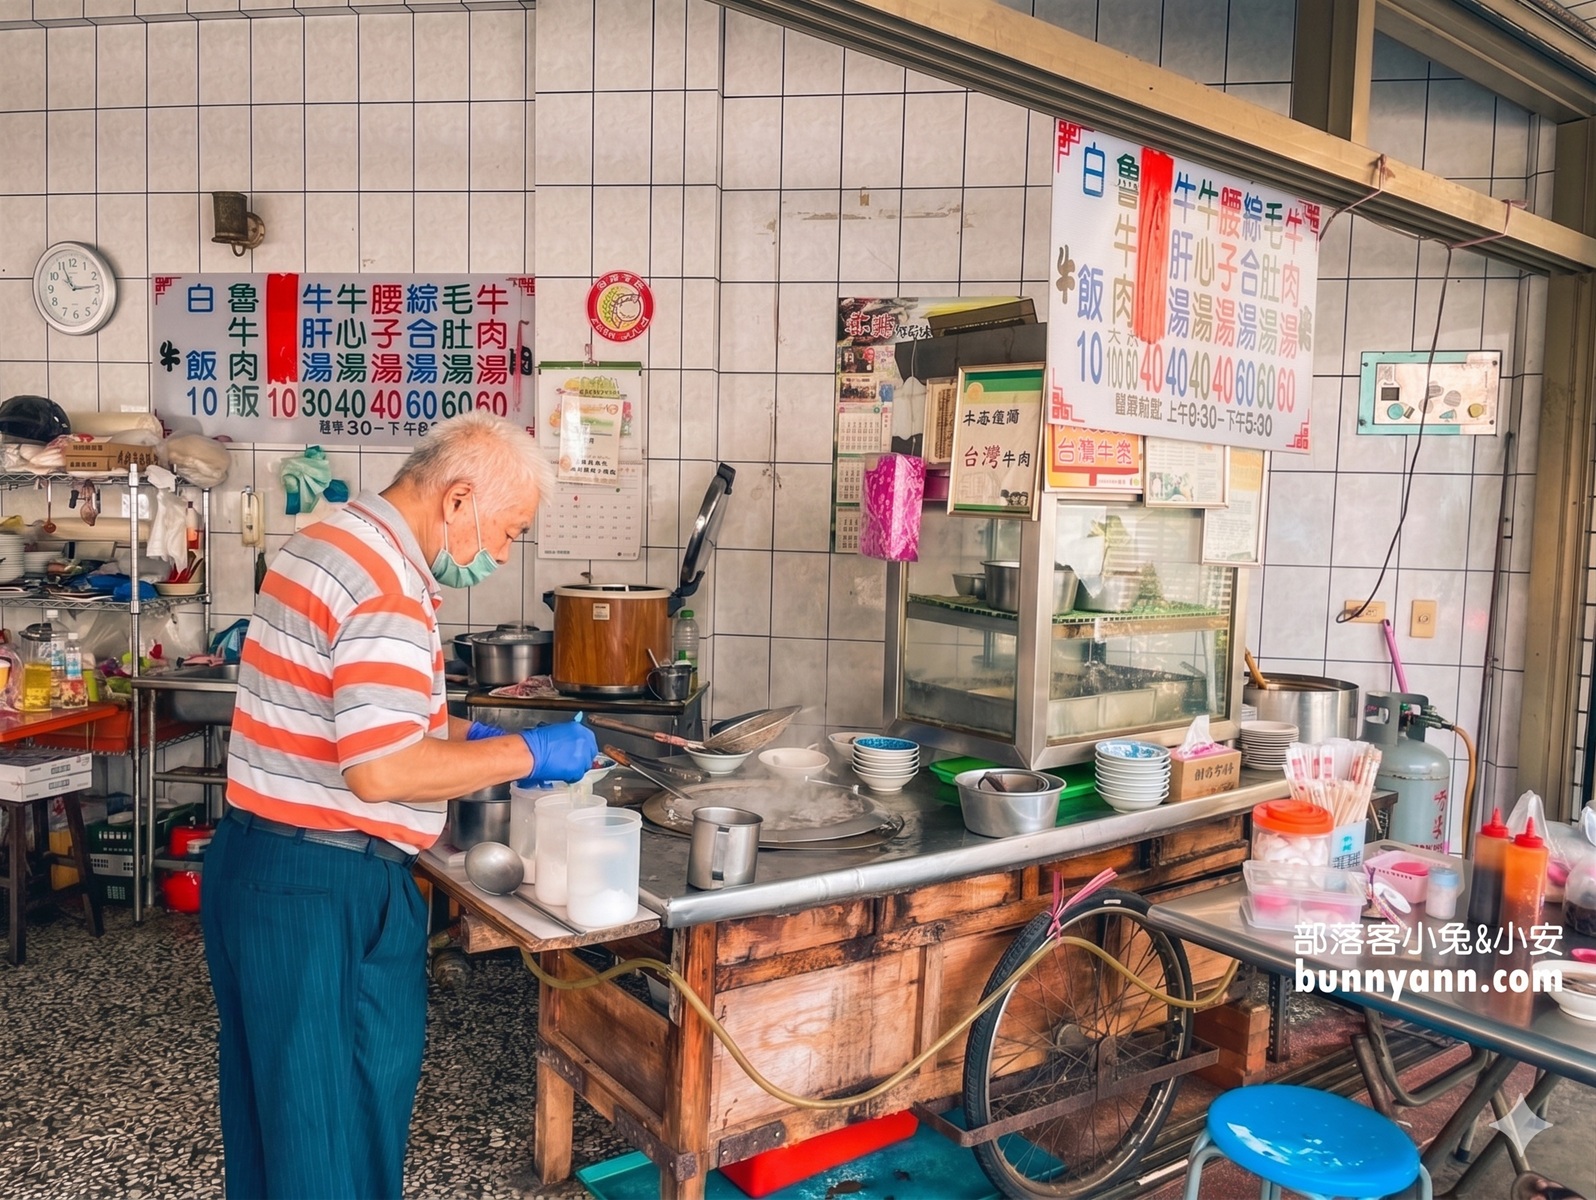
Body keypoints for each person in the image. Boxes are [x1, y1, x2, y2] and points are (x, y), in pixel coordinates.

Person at [200, 412, 596, 1200]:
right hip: (325, 890)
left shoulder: (328, 541)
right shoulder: (386, 585)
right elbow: (380, 769)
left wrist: (471, 732)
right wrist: (528, 753)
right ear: (457, 501)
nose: (505, 553)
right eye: (510, 532)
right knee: (332, 1132)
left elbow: (362, 709)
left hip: (262, 869)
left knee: (276, 1121)